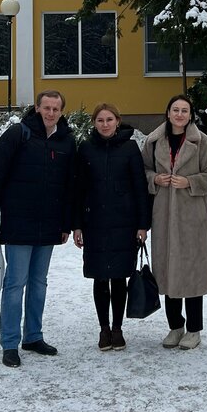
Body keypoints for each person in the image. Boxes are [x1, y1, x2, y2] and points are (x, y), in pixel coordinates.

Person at [0, 90, 75, 368]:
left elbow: (70, 186)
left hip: (49, 224)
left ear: (61, 111)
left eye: (56, 109)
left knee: (39, 283)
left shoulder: (66, 141)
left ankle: (33, 336)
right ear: (37, 108)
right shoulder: (17, 134)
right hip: (19, 222)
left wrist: (66, 223)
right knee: (15, 283)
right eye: (46, 107)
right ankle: (10, 343)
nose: (51, 113)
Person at [142, 94, 207, 350]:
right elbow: (142, 170)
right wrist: (154, 179)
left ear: (190, 115)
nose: (179, 114)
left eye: (184, 110)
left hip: (193, 215)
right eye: (175, 110)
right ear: (168, 113)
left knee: (192, 271)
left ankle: (194, 329)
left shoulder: (202, 141)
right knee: (167, 270)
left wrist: (190, 182)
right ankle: (175, 326)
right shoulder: (154, 141)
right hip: (163, 214)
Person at [73, 103, 150, 351]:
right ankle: (103, 328)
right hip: (94, 222)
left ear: (117, 121)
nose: (105, 124)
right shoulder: (86, 148)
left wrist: (143, 224)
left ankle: (117, 329)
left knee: (118, 278)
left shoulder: (130, 148)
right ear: (94, 123)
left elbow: (140, 188)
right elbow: (78, 189)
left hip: (123, 223)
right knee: (99, 278)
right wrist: (77, 225)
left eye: (109, 120)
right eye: (100, 120)